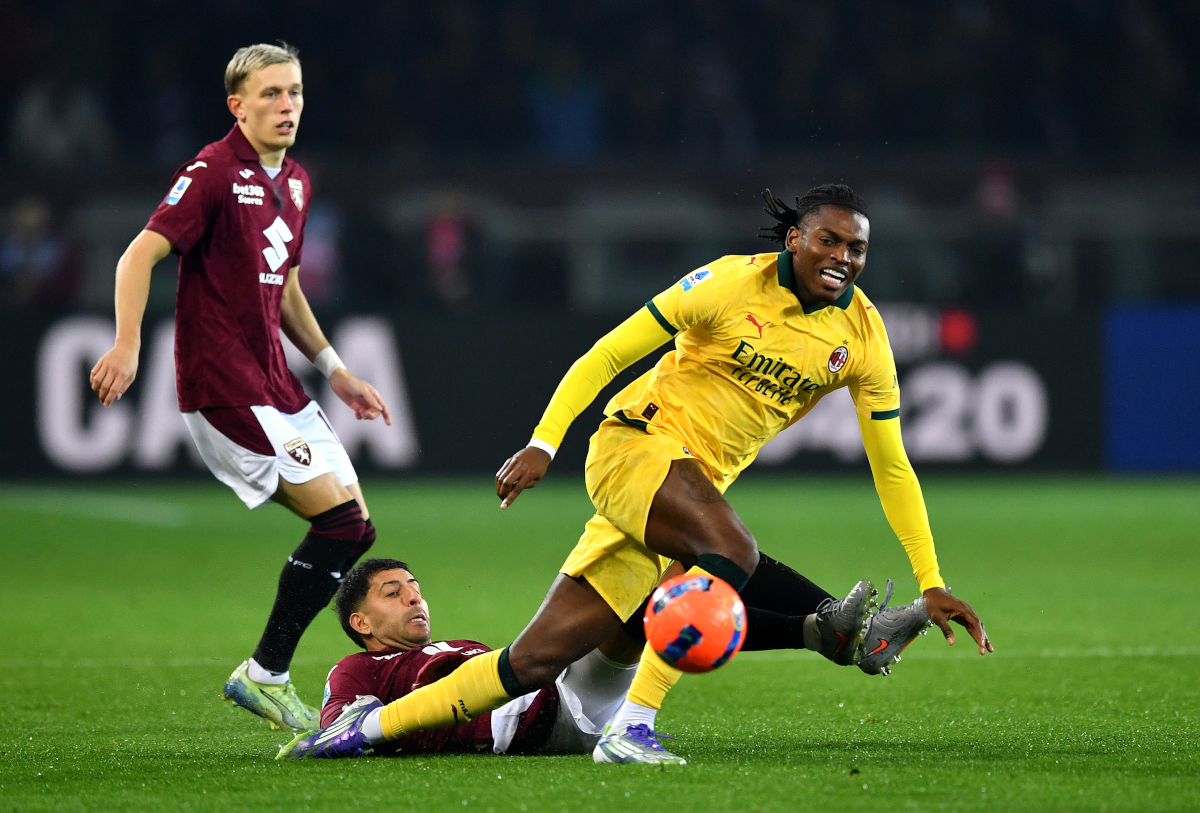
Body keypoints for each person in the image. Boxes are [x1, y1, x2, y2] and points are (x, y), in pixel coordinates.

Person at [294, 183, 993, 763]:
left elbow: (892, 466)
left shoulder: (864, 340)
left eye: (857, 247)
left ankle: (361, 731)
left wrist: (931, 579)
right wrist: (545, 441)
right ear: (795, 240)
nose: (842, 256)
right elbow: (605, 354)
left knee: (531, 662)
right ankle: (634, 726)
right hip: (634, 447)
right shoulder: (727, 284)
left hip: (681, 490)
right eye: (828, 240)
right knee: (731, 552)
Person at [88, 43, 391, 732]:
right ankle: (267, 673)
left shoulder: (299, 182)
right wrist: (127, 342)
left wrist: (336, 369)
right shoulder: (214, 170)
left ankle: (280, 674)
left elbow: (283, 289)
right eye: (271, 95)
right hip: (222, 383)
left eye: (295, 93)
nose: (286, 106)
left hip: (278, 381)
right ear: (238, 105)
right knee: (341, 524)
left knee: (355, 525)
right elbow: (140, 252)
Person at [279, 558, 644, 759]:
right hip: (535, 722)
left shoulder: (459, 643)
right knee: (614, 585)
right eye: (393, 593)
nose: (414, 600)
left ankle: (634, 719)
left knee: (640, 593)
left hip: (563, 692)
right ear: (361, 623)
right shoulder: (357, 667)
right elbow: (341, 731)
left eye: (416, 592)